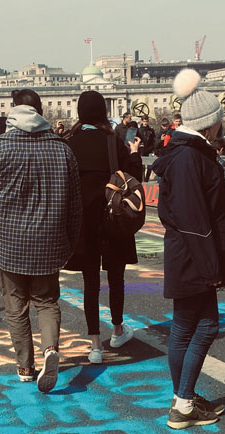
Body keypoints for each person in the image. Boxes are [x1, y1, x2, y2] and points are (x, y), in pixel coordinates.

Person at [151, 69, 225, 429]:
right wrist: (213, 271)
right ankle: (183, 404)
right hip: (195, 256)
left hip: (184, 253)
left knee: (184, 328)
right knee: (205, 327)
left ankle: (184, 399)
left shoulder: (183, 152)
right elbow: (196, 218)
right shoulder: (192, 157)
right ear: (209, 125)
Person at [0, 89, 82, 394]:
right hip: (49, 239)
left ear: (13, 111)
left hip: (10, 241)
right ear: (40, 111)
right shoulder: (62, 149)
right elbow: (75, 204)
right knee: (47, 301)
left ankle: (24, 365)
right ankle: (50, 349)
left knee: (16, 304)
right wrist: (70, 241)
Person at [64, 90, 143, 366]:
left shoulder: (70, 144)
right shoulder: (114, 142)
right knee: (116, 276)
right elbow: (132, 178)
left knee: (90, 282)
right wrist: (134, 154)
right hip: (113, 217)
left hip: (85, 221)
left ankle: (95, 344)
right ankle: (118, 328)